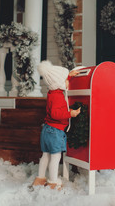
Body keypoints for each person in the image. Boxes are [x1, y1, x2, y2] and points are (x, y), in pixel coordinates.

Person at [31, 60, 81, 190]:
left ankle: (40, 178)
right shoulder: (58, 97)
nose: (67, 82)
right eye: (66, 80)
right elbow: (56, 114)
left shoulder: (52, 93)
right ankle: (53, 181)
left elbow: (58, 80)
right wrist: (71, 113)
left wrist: (69, 75)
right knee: (55, 156)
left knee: (45, 155)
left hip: (47, 130)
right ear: (59, 83)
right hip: (55, 131)